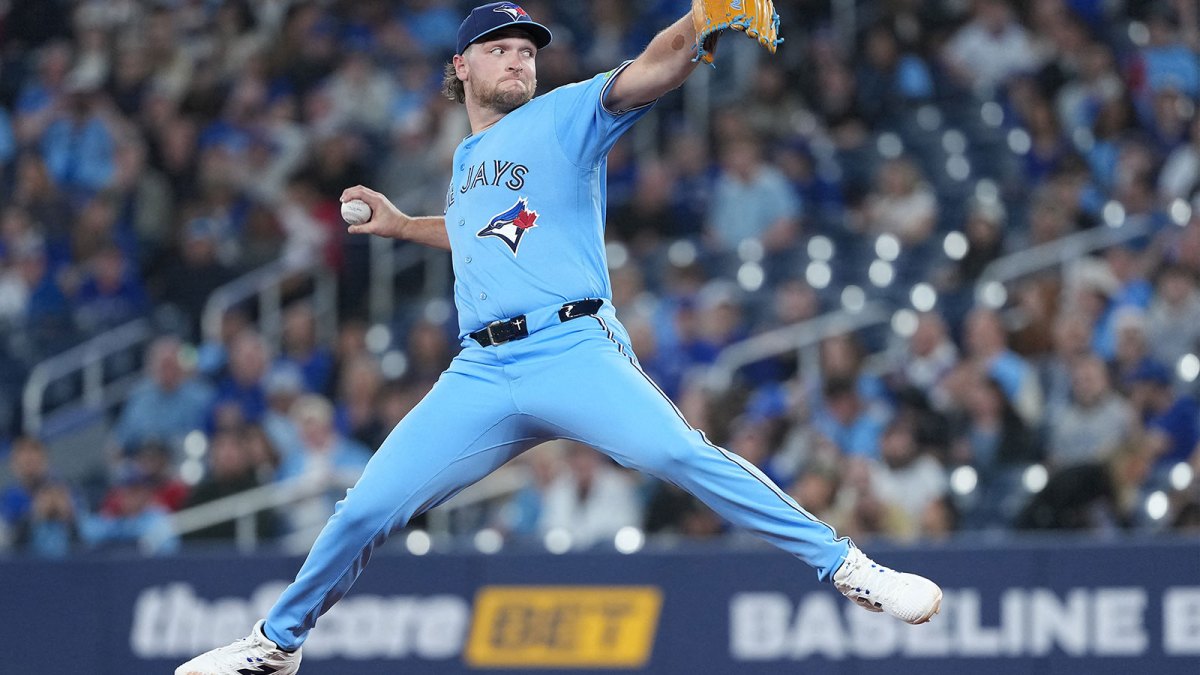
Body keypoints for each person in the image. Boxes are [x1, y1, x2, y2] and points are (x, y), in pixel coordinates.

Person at [176, 5, 942, 673]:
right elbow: (486, 232)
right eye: (500, 48)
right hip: (482, 369)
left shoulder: (564, 115)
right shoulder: (467, 158)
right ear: (462, 65)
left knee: (679, 454)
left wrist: (700, 20)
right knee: (361, 510)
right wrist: (406, 225)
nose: (519, 58)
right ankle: (277, 644)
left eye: (527, 50)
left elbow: (651, 70)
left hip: (572, 347)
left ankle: (847, 564)